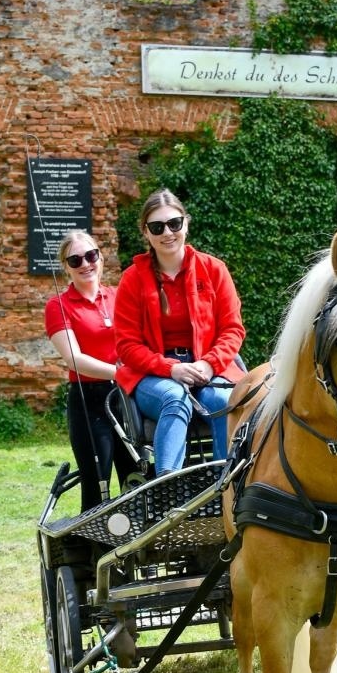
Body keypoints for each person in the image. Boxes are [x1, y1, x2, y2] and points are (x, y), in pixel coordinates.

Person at [113, 189, 246, 475]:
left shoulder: (214, 270)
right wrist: (170, 369)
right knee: (175, 396)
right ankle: (167, 487)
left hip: (208, 367)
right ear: (145, 233)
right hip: (153, 374)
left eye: (174, 223)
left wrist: (209, 365)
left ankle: (223, 486)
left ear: (186, 223)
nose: (167, 233)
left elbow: (232, 329)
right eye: (157, 227)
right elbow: (126, 345)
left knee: (222, 402)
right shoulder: (132, 280)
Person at [44, 230, 135, 511]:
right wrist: (118, 372)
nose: (85, 264)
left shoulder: (120, 296)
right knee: (98, 484)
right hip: (90, 400)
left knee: (138, 478)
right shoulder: (58, 305)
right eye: (75, 260)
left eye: (91, 255)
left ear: (101, 257)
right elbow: (74, 358)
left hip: (128, 397)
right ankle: (93, 551)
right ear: (65, 267)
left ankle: (137, 548)